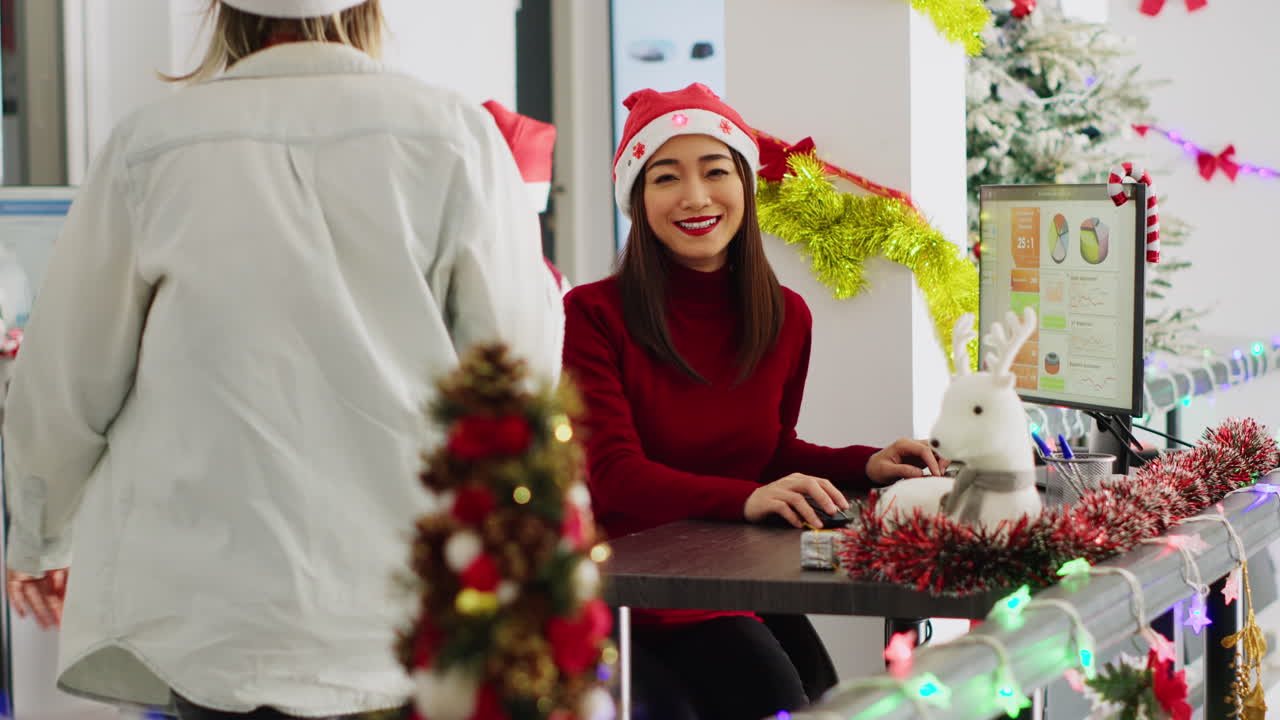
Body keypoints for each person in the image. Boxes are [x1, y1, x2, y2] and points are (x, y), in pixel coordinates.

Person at [2, 1, 563, 718]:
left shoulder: (152, 145)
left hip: (210, 618)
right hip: (404, 609)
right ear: (366, 10)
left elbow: (66, 383)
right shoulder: (453, 134)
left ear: (221, 11)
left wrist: (44, 535)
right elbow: (517, 374)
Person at [561, 83, 945, 719]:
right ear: (638, 197)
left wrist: (866, 463)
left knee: (824, 693)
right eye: (665, 177)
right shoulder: (593, 315)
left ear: (745, 184)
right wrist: (745, 498)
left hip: (731, 577)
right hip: (632, 593)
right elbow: (614, 476)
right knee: (777, 693)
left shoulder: (786, 317)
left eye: (716, 170)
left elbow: (766, 448)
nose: (695, 196)